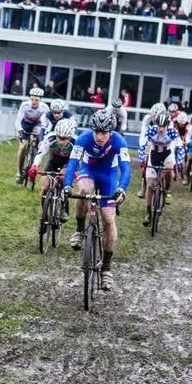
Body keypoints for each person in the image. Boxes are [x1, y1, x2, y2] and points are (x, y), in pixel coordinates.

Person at [63, 109, 130, 291]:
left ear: (111, 132)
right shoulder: (84, 139)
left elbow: (126, 169)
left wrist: (121, 190)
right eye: (96, 132)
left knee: (109, 218)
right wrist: (67, 185)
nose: (99, 137)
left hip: (108, 174)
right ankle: (79, 229)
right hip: (89, 169)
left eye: (104, 133)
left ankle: (106, 268)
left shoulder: (119, 141)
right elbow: (72, 164)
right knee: (84, 190)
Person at [26, 117, 78, 222]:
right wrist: (34, 166)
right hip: (53, 161)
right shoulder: (50, 138)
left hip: (68, 163)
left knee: (63, 180)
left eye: (64, 138)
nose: (60, 140)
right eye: (59, 137)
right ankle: (45, 215)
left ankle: (64, 207)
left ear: (70, 137)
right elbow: (40, 153)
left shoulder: (76, 141)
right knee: (45, 187)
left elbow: (79, 160)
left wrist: (74, 172)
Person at [139, 104, 182, 226]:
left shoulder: (172, 132)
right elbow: (143, 145)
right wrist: (142, 158)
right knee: (150, 185)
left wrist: (179, 163)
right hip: (154, 155)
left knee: (169, 169)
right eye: (159, 126)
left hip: (167, 154)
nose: (161, 129)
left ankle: (167, 190)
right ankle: (148, 212)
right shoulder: (151, 130)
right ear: (156, 124)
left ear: (168, 125)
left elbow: (179, 147)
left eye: (164, 126)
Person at [15, 87, 49, 183]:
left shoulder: (44, 107)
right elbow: (18, 119)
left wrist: (43, 132)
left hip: (36, 125)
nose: (34, 102)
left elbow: (45, 122)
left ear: (40, 100)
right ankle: (19, 171)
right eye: (32, 99)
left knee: (39, 140)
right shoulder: (25, 105)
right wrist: (20, 130)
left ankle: (34, 158)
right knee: (23, 147)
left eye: (37, 100)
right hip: (25, 125)